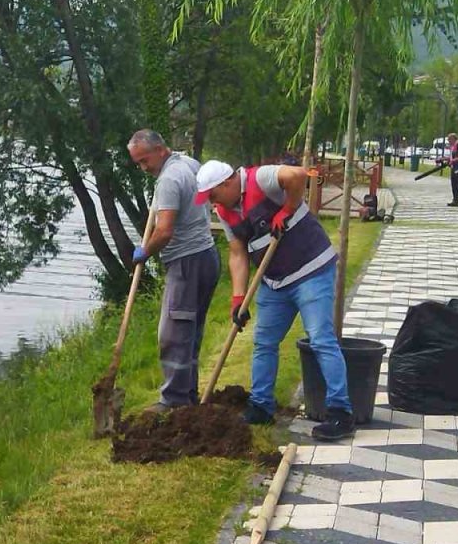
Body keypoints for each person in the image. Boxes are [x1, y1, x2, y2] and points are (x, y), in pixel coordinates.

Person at [194, 160, 355, 441]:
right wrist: (238, 298)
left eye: (213, 195)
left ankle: (341, 412)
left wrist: (287, 209)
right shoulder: (225, 211)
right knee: (264, 342)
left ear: (227, 183)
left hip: (311, 270)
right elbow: (237, 254)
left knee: (320, 338)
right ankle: (261, 406)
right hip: (275, 281)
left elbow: (297, 175)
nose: (211, 202)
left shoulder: (261, 179)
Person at [127, 130, 220, 413]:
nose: (144, 168)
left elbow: (165, 231)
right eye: (138, 163)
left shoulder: (168, 179)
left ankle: (174, 400)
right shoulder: (189, 164)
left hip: (186, 262)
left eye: (145, 160)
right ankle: (187, 395)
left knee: (173, 334)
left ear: (159, 150)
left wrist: (146, 251)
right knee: (190, 330)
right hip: (207, 257)